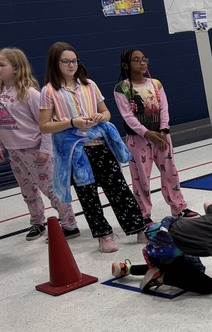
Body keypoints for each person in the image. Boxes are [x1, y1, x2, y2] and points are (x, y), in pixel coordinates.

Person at [38, 42, 144, 252]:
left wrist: (100, 116)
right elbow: (44, 125)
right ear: (55, 63)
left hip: (100, 147)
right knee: (88, 196)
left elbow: (106, 112)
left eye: (74, 61)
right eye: (65, 61)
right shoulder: (49, 91)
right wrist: (71, 122)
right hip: (76, 153)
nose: (71, 65)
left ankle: (138, 227)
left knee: (118, 189)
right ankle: (104, 235)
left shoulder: (89, 85)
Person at [114, 49, 197, 241]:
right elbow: (127, 116)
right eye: (137, 60)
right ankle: (144, 217)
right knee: (141, 178)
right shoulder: (121, 88)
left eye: (144, 59)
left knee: (170, 173)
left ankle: (179, 208)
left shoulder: (156, 83)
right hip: (139, 139)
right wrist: (147, 133)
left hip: (161, 137)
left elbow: (164, 108)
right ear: (126, 65)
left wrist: (164, 130)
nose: (142, 63)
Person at [0, 47, 78, 241]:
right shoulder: (1, 93)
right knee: (27, 191)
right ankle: (37, 222)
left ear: (16, 68)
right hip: (15, 152)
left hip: (35, 151)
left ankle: (69, 224)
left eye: (1, 65)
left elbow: (45, 124)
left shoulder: (30, 93)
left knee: (51, 189)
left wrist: (45, 149)